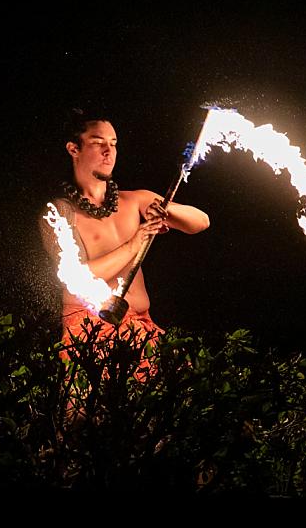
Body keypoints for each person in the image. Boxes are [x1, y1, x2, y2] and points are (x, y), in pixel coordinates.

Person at [39, 108, 210, 370]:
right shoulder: (59, 212)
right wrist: (135, 242)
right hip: (90, 331)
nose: (109, 151)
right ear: (74, 149)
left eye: (113, 143)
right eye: (98, 143)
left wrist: (166, 210)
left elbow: (201, 222)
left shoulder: (134, 200)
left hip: (142, 326)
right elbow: (76, 279)